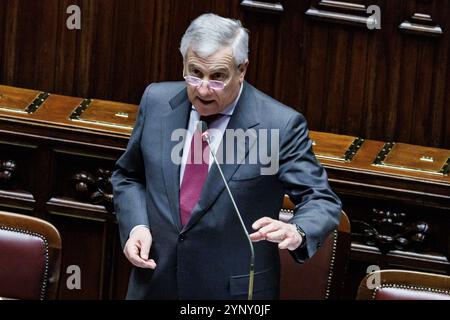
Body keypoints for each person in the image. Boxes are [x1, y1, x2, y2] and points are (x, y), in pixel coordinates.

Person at [111, 13, 341, 300]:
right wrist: (137, 226)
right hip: (154, 284)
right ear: (183, 62)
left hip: (232, 295)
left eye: (218, 77)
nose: (204, 89)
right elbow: (129, 176)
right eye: (195, 73)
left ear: (242, 69)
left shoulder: (278, 126)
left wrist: (297, 230)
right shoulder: (157, 102)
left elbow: (321, 199)